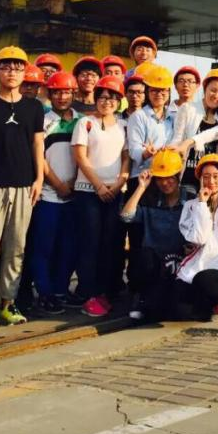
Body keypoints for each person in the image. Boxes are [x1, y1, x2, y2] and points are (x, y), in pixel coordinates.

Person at [0, 46, 46, 328]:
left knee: (17, 247)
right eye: (6, 67)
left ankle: (8, 302)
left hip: (24, 186)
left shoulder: (33, 107)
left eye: (17, 67)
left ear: (25, 72)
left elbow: (37, 144)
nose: (12, 72)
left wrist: (39, 179)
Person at [71, 75, 130, 317]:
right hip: (88, 192)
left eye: (113, 98)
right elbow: (80, 157)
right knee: (90, 243)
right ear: (96, 99)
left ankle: (106, 292)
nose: (107, 102)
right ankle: (88, 293)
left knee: (110, 244)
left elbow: (126, 158)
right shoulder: (85, 123)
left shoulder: (123, 126)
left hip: (114, 192)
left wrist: (119, 183)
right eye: (103, 97)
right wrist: (98, 186)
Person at [26, 71, 80, 314]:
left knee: (68, 247)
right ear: (49, 94)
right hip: (48, 194)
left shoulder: (82, 121)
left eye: (66, 92)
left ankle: (60, 289)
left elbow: (85, 154)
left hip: (74, 194)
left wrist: (74, 182)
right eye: (56, 92)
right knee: (44, 247)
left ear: (73, 94)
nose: (61, 97)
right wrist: (58, 184)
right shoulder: (42, 120)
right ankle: (45, 292)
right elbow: (39, 156)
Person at [120, 150, 187, 323]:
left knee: (174, 311)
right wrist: (141, 187)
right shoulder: (149, 199)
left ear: (178, 176)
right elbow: (126, 216)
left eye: (169, 177)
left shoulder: (191, 199)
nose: (164, 183)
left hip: (181, 263)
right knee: (143, 256)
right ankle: (141, 298)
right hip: (153, 264)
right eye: (160, 178)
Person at [177, 154, 218, 320]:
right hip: (194, 267)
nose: (211, 181)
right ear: (199, 179)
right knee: (176, 302)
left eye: (215, 176)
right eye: (206, 177)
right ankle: (206, 306)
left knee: (204, 281)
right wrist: (202, 204)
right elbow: (199, 238)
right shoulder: (191, 206)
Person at [173, 68, 218, 197]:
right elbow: (177, 138)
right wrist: (173, 149)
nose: (216, 95)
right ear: (205, 89)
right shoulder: (187, 109)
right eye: (213, 90)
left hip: (211, 182)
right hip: (188, 177)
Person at [126, 63, 175, 179]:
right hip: (143, 176)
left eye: (163, 90)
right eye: (154, 90)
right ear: (147, 92)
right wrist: (146, 153)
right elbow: (134, 149)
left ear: (169, 92)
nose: (159, 94)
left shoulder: (173, 117)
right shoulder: (138, 116)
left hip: (166, 175)